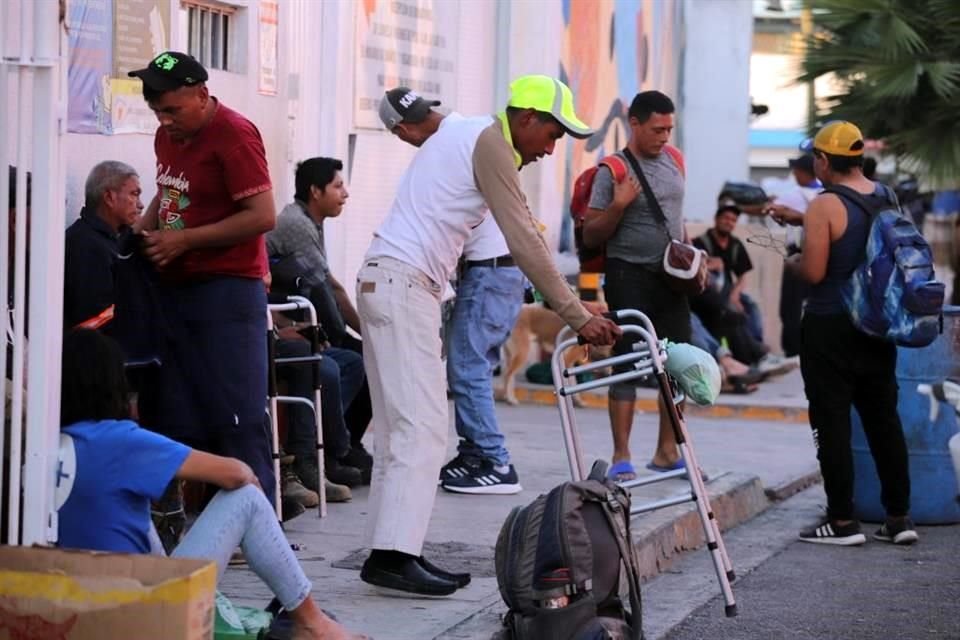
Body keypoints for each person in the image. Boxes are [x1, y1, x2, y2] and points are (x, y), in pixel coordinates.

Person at [356, 75, 620, 597]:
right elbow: (524, 238)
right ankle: (394, 556)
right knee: (425, 429)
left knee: (399, 432)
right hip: (404, 284)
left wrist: (568, 303)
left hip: (387, 279)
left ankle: (388, 551)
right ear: (525, 119)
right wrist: (574, 314)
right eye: (552, 133)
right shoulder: (490, 144)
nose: (552, 148)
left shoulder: (469, 133)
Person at [56, 329, 367, 640]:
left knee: (129, 506)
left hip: (69, 613)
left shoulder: (43, 448)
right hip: (143, 617)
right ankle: (313, 623)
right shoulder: (119, 441)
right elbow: (236, 473)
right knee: (247, 498)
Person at [128, 51, 277, 502]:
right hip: (177, 290)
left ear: (201, 94)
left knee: (237, 414)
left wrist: (185, 240)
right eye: (157, 111)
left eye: (172, 109)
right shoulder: (166, 136)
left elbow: (262, 215)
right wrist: (144, 230)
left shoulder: (234, 134)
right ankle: (195, 518)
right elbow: (167, 190)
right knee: (180, 411)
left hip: (227, 291)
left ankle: (257, 522)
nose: (165, 120)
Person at [773, 120, 917, 546]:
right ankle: (899, 517)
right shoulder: (886, 196)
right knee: (883, 420)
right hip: (877, 325)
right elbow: (861, 235)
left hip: (829, 325)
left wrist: (790, 260)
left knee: (832, 421)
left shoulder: (823, 205)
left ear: (822, 159)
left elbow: (815, 271)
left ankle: (841, 521)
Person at [379, 87, 527, 495]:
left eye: (401, 136)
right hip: (496, 272)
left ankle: (492, 459)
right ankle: (476, 453)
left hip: (492, 271)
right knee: (469, 364)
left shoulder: (452, 143)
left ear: (404, 130)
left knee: (466, 365)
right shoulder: (466, 130)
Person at [581, 90, 692, 479]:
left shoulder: (676, 160)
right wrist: (618, 205)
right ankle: (621, 456)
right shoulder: (613, 169)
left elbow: (676, 218)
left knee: (677, 364)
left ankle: (667, 450)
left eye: (669, 129)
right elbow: (592, 236)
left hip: (671, 279)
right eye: (657, 129)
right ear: (635, 124)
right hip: (628, 275)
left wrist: (693, 256)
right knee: (628, 361)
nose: (664, 137)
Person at [266, 158, 372, 487]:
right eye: (338, 186)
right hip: (279, 325)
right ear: (315, 191)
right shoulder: (296, 223)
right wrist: (361, 335)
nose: (346, 193)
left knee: (365, 360)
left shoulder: (312, 221)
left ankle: (343, 447)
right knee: (348, 361)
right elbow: (330, 290)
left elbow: (325, 283)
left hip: (290, 318)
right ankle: (332, 453)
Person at [63, 161, 143, 332]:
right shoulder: (85, 245)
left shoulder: (117, 237)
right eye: (134, 194)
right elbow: (95, 320)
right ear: (109, 198)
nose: (140, 204)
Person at [768, 154, 821, 356]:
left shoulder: (794, 194)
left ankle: (792, 350)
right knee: (812, 304)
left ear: (801, 172)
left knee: (790, 306)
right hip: (821, 253)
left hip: (797, 254)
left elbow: (768, 208)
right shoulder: (826, 194)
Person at [694, 202, 762, 342]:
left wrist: (735, 295)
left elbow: (742, 276)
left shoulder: (735, 244)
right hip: (707, 293)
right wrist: (712, 264)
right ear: (716, 219)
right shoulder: (701, 242)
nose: (729, 222)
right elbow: (694, 267)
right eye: (726, 218)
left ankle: (758, 345)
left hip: (729, 291)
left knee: (750, 305)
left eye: (733, 220)